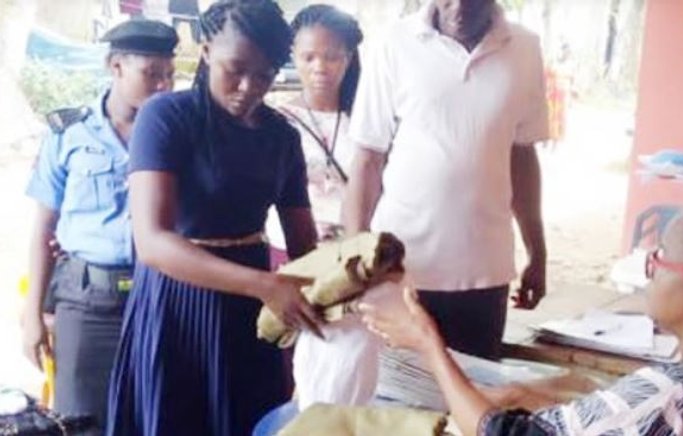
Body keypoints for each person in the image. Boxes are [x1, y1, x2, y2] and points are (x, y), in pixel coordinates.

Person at [362, 199, 683, 435]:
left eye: (661, 258)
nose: (648, 268)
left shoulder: (673, 396)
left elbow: (503, 435)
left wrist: (427, 342)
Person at [105, 1, 323, 435]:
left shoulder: (281, 136)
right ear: (205, 51)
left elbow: (304, 244)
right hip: (175, 306)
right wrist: (264, 285)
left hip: (253, 320)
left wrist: (341, 281)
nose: (249, 86)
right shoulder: (166, 117)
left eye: (264, 74)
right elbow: (152, 242)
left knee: (250, 421)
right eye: (236, 68)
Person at [343, 0, 549, 360]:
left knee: (470, 400)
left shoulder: (525, 49)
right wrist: (352, 257)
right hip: (398, 269)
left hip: (484, 272)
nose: (458, 8)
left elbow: (522, 155)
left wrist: (538, 252)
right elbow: (367, 159)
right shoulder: (395, 42)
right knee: (397, 402)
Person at [21, 19, 177, 433]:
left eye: (169, 74)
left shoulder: (178, 132)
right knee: (81, 420)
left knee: (155, 415)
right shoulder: (69, 133)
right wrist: (32, 314)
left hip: (158, 296)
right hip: (86, 302)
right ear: (115, 67)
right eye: (151, 74)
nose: (163, 85)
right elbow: (43, 228)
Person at [263, 4, 374, 409]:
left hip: (351, 262)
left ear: (348, 58)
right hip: (291, 257)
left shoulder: (366, 119)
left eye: (332, 56)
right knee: (289, 361)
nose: (320, 67)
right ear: (293, 54)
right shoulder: (277, 119)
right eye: (309, 56)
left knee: (340, 366)